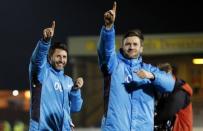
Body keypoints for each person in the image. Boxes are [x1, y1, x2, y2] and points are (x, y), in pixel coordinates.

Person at [97, 2, 175, 131]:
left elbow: (170, 84)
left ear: (141, 48)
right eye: (128, 44)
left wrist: (152, 76)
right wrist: (109, 28)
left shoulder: (149, 69)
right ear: (122, 46)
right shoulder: (114, 65)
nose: (131, 47)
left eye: (135, 44)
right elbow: (106, 51)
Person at [29, 21, 83, 131]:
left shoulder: (68, 81)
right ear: (50, 57)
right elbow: (37, 61)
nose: (62, 60)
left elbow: (76, 108)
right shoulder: (43, 74)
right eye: (58, 56)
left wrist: (76, 90)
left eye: (64, 57)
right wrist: (45, 42)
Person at [154, 63, 193, 131]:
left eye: (159, 79)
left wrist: (149, 122)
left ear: (167, 76)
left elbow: (167, 113)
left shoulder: (180, 92)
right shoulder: (168, 89)